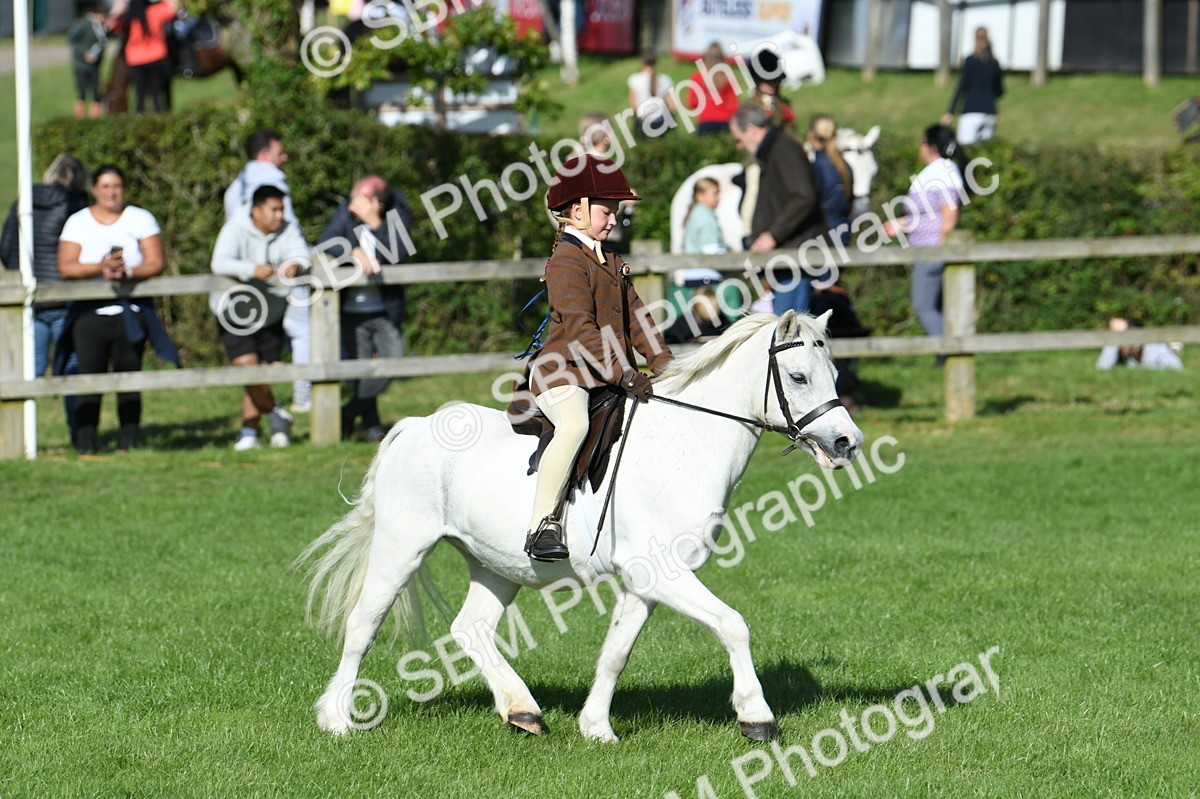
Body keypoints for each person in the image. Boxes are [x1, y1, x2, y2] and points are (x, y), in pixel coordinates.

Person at [519, 154, 673, 562]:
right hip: (563, 371)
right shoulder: (566, 262)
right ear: (578, 210)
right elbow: (582, 331)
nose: (612, 220)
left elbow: (639, 319)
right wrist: (623, 373)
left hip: (607, 373)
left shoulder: (613, 262)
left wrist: (665, 365)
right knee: (573, 425)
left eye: (616, 212)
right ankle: (542, 526)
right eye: (607, 211)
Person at [56, 164, 177, 453]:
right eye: (105, 186)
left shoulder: (140, 218)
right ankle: (86, 445)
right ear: (95, 189)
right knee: (89, 380)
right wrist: (101, 267)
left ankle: (129, 444)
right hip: (89, 316)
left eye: (117, 186)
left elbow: (155, 261)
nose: (111, 192)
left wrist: (128, 272)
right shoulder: (78, 222)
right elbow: (66, 265)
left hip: (130, 313)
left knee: (129, 378)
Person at [210, 185, 309, 450]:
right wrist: (251, 269)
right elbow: (219, 263)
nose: (280, 215)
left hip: (272, 313)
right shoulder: (234, 228)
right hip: (234, 312)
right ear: (256, 210)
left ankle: (249, 433)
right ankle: (277, 416)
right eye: (274, 209)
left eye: (281, 209)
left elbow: (302, 252)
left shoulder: (288, 229)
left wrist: (294, 264)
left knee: (259, 374)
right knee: (247, 368)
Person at [317, 175, 414, 443]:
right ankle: (372, 427)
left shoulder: (398, 214)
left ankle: (347, 413)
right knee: (360, 372)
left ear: (377, 203)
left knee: (392, 362)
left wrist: (375, 224)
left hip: (384, 309)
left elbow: (400, 252)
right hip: (350, 310)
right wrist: (353, 251)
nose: (350, 206)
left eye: (358, 199)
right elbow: (324, 241)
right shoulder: (346, 211)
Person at [224, 129, 311, 413]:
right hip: (271, 282)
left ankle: (255, 428)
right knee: (301, 332)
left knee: (255, 363)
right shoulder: (270, 180)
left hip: (244, 289)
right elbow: (289, 229)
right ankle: (302, 395)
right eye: (279, 152)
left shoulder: (236, 185)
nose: (284, 158)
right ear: (263, 155)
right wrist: (291, 262)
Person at [729, 102, 828, 315]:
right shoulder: (775, 150)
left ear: (752, 130)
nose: (740, 145)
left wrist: (772, 235)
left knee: (789, 333)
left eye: (740, 138)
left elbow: (804, 197)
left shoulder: (783, 149)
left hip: (794, 257)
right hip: (787, 256)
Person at [883, 124, 968, 339]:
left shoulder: (944, 172)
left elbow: (949, 214)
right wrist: (901, 223)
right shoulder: (935, 172)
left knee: (923, 305)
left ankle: (948, 351)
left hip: (932, 250)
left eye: (922, 142)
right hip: (924, 249)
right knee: (932, 304)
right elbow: (926, 214)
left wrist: (940, 248)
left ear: (931, 146)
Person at [942, 27, 1004, 145]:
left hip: (972, 112)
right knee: (984, 153)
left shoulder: (970, 61)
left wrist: (951, 112)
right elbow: (1000, 90)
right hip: (990, 114)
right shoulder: (994, 63)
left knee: (965, 150)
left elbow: (962, 88)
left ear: (974, 39)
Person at [111, 0, 176, 113]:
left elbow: (112, 26)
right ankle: (158, 118)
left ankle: (140, 116)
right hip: (156, 56)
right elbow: (172, 10)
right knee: (156, 96)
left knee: (140, 95)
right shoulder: (155, 11)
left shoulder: (129, 16)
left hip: (135, 59)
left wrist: (116, 10)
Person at [807, 114, 853, 245]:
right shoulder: (845, 166)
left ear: (811, 135)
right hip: (842, 233)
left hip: (821, 237)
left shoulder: (816, 167)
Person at [684, 42, 739, 135]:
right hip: (725, 122)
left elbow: (691, 103)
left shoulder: (697, 77)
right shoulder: (729, 77)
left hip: (705, 122)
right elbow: (734, 104)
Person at [1096, 318, 1184, 370]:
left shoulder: (1156, 347)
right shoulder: (1129, 358)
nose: (1135, 344)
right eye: (1129, 339)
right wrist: (1114, 338)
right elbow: (1102, 368)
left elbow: (1177, 368)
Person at [67, 4, 107, 119]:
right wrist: (84, 53)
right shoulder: (85, 24)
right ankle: (79, 117)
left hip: (94, 66)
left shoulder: (101, 28)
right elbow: (72, 39)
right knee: (82, 92)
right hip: (82, 65)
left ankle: (95, 117)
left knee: (96, 92)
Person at [627, 49, 677, 137]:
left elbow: (633, 106)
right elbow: (672, 106)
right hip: (662, 122)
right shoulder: (666, 79)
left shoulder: (634, 79)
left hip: (642, 122)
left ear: (641, 62)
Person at [682, 177, 727, 254]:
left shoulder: (698, 213)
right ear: (700, 196)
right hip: (704, 264)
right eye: (715, 194)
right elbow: (711, 249)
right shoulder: (705, 216)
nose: (718, 198)